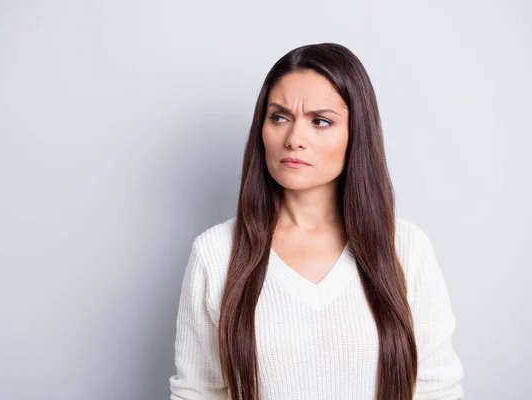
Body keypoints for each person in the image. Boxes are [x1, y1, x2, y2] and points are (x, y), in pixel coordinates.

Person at [169, 43, 465, 400]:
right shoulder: (216, 254)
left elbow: (437, 391)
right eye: (278, 117)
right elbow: (197, 393)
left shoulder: (406, 249)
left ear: (356, 132)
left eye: (320, 121)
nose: (294, 139)